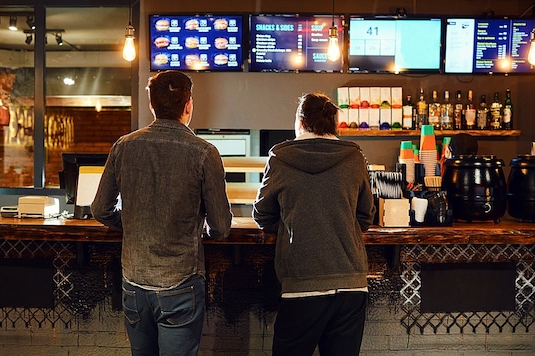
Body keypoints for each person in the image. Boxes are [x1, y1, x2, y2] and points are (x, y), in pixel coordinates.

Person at [91, 70, 232, 356]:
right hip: (181, 282)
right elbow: (221, 227)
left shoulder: (123, 146)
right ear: (188, 104)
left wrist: (129, 223)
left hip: (134, 280)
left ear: (151, 104)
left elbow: (100, 209)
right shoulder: (204, 152)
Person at [252, 92, 375, 356]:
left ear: (300, 122)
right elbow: (366, 216)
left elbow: (262, 215)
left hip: (301, 283)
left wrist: (292, 223)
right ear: (335, 124)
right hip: (350, 283)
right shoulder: (354, 157)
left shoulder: (280, 157)